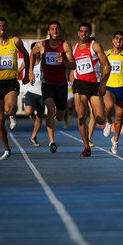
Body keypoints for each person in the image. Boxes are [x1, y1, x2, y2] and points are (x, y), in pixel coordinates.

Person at [0, 17, 29, 160]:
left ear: (7, 28)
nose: (1, 28)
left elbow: (27, 55)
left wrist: (27, 74)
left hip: (11, 82)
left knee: (9, 109)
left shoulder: (15, 41)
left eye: (4, 25)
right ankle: (7, 149)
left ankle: (12, 115)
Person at [29, 20, 76, 153]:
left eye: (57, 29)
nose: (55, 31)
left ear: (60, 31)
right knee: (50, 108)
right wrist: (31, 72)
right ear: (48, 32)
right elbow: (32, 55)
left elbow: (74, 65)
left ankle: (57, 114)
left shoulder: (65, 45)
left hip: (61, 85)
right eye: (52, 29)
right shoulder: (41, 44)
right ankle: (52, 141)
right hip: (47, 84)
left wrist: (64, 62)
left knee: (60, 116)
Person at [71, 22, 111, 157]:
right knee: (81, 116)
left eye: (86, 31)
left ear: (90, 33)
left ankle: (100, 120)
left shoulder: (95, 46)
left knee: (100, 119)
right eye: (81, 31)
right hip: (79, 85)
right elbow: (71, 68)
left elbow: (107, 66)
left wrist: (103, 83)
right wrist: (73, 82)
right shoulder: (74, 48)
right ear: (78, 33)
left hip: (94, 86)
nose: (83, 34)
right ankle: (86, 146)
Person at [103, 30, 123, 154]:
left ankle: (115, 141)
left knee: (119, 117)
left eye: (121, 39)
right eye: (116, 38)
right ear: (112, 40)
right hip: (109, 88)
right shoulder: (107, 53)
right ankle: (108, 122)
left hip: (122, 88)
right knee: (109, 105)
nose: (118, 41)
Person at [19, 42, 44, 146]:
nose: (37, 51)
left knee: (40, 117)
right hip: (30, 91)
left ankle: (33, 136)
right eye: (35, 49)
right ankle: (31, 114)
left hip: (42, 92)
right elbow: (18, 72)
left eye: (39, 48)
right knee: (28, 112)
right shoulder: (27, 62)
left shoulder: (44, 62)